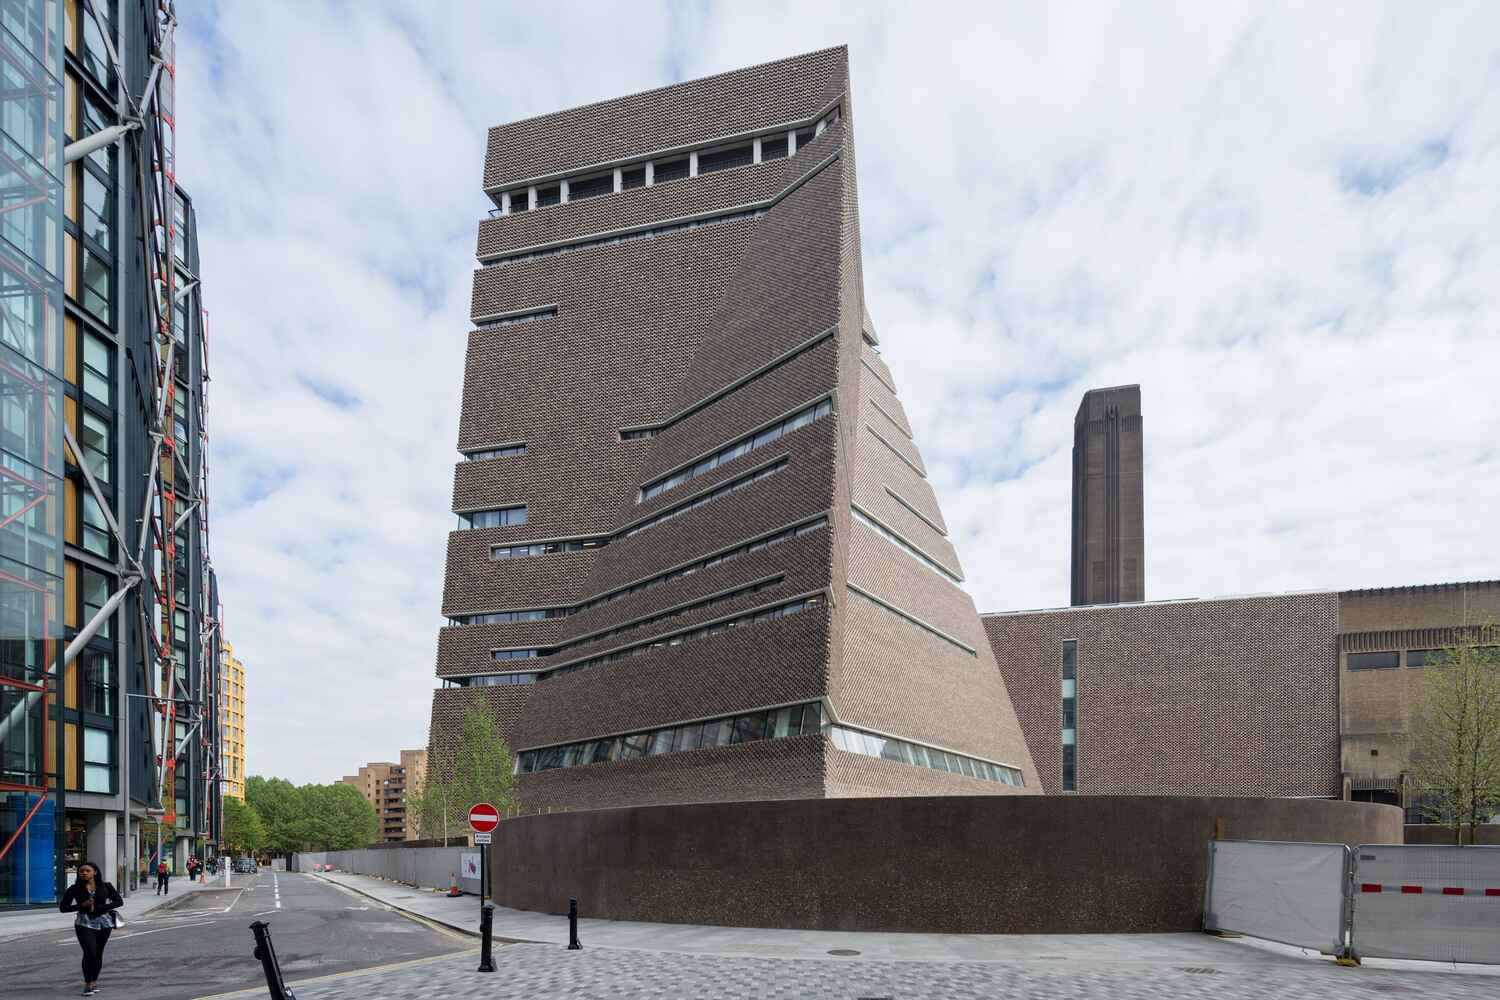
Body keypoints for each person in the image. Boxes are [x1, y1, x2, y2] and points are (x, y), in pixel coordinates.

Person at [59, 860, 123, 996]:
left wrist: (103, 907)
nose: (84, 873)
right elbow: (63, 908)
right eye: (81, 871)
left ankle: (94, 981)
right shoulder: (74, 889)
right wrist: (82, 905)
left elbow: (119, 901)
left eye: (87, 871)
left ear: (95, 872)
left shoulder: (106, 886)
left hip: (104, 923)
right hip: (84, 923)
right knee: (90, 952)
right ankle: (88, 984)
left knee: (98, 953)